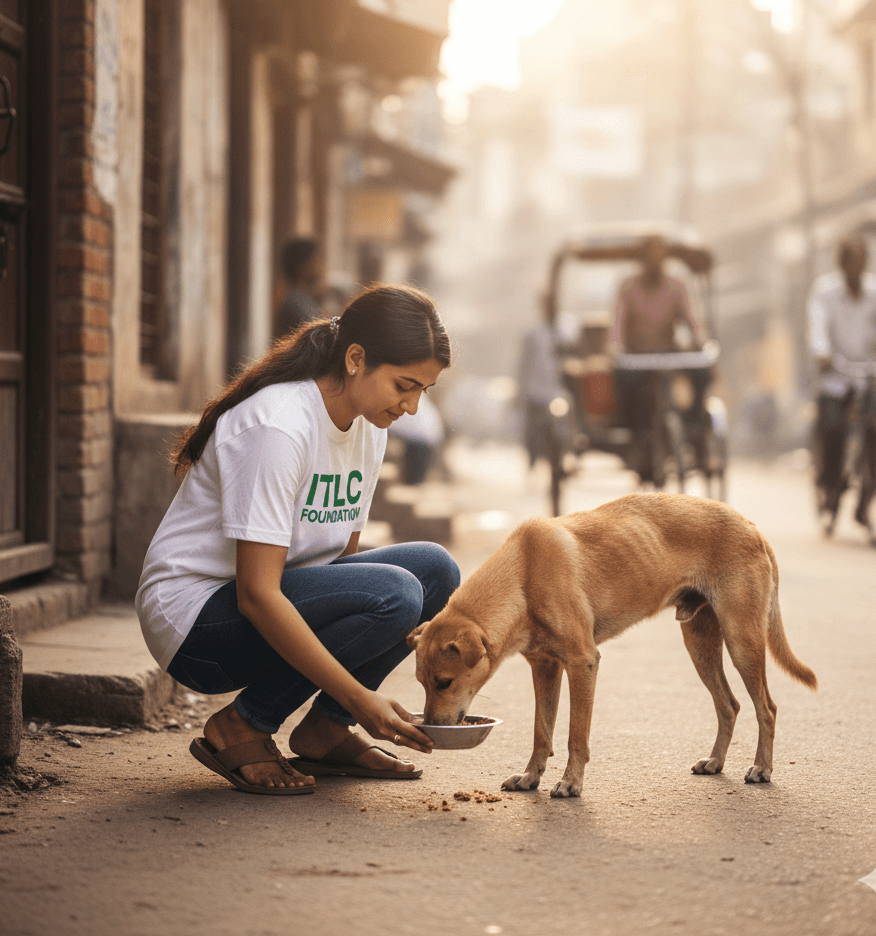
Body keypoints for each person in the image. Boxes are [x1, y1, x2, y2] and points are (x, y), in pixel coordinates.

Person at [136, 284, 460, 794]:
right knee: (395, 593)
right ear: (356, 359)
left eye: (423, 390)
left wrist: (344, 694)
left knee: (436, 571)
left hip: (269, 597)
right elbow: (257, 595)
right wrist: (358, 696)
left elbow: (343, 562)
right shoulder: (279, 425)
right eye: (405, 385)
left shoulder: (368, 425)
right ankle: (240, 726)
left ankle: (324, 731)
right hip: (196, 623)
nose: (413, 407)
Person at [807, 235, 876, 520]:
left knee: (875, 430)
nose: (857, 267)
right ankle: (829, 485)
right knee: (833, 429)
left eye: (861, 261)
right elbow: (817, 325)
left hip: (867, 373)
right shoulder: (825, 291)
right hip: (836, 374)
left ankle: (867, 498)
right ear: (842, 264)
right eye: (851, 261)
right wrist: (822, 353)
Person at [611, 236, 702, 485]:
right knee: (621, 381)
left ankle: (695, 431)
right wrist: (615, 346)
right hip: (636, 356)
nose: (654, 263)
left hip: (668, 352)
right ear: (642, 261)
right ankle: (635, 441)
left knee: (702, 373)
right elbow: (617, 323)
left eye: (659, 258)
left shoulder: (676, 286)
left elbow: (691, 320)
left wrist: (699, 340)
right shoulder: (628, 287)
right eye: (649, 258)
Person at [517, 292, 569, 469]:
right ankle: (532, 463)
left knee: (562, 429)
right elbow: (523, 364)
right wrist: (520, 391)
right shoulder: (533, 334)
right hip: (536, 392)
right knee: (533, 433)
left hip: (558, 392)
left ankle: (562, 458)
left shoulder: (566, 331)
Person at [275, 236, 326, 337]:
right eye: (315, 261)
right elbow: (319, 338)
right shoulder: (296, 303)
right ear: (301, 267)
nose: (321, 267)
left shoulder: (304, 299)